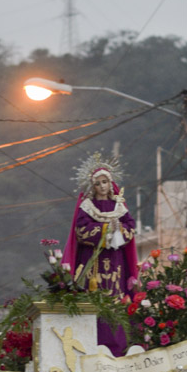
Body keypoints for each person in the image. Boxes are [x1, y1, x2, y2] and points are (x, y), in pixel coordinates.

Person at [62, 151, 138, 356]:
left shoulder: (119, 206)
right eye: (98, 183)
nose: (102, 186)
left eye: (105, 182)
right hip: (92, 262)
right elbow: (81, 231)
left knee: (116, 303)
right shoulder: (87, 207)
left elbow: (130, 228)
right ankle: (90, 344)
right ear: (92, 186)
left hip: (116, 263)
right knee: (93, 302)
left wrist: (119, 229)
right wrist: (106, 230)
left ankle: (119, 348)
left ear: (110, 182)